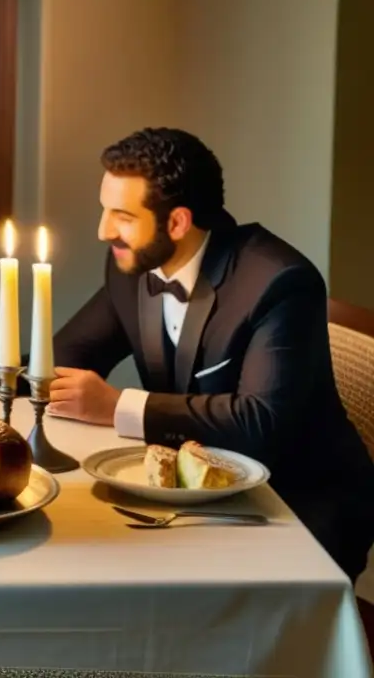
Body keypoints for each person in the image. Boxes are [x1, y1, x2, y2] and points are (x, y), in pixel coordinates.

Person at [45, 127, 374, 583]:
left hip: (296, 501)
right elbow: (67, 356)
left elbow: (260, 422)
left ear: (177, 222)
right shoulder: (131, 263)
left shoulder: (280, 282)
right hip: (190, 491)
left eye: (121, 215)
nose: (103, 231)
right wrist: (28, 374)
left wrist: (117, 405)